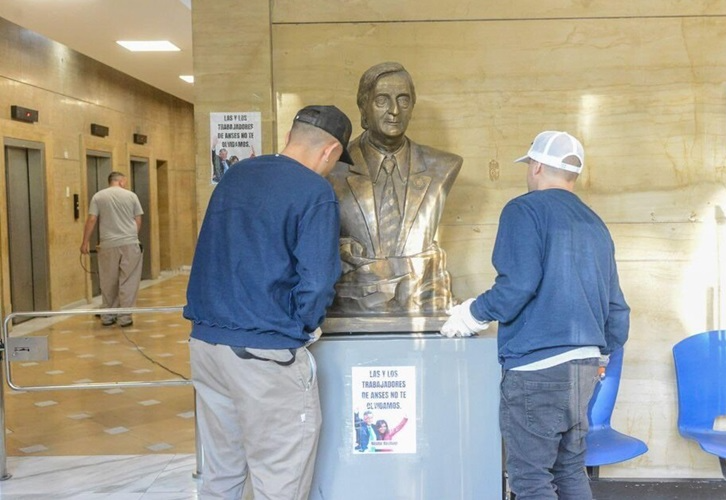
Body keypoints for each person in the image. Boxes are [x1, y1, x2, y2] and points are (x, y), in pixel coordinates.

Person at [440, 131, 630, 499]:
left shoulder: (523, 210)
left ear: (538, 166)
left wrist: (470, 315)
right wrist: (602, 353)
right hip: (585, 369)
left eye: (529, 166)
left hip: (536, 369)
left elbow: (517, 287)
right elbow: (617, 308)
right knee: (570, 470)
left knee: (530, 479)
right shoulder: (595, 224)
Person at [184, 105, 353, 500]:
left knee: (222, 473)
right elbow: (317, 281)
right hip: (264, 354)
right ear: (329, 152)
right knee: (280, 476)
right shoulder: (315, 191)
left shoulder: (236, 174)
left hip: (207, 346)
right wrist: (302, 326)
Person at [327, 62, 462, 315]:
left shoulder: (443, 166)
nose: (394, 111)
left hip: (423, 303)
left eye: (403, 100)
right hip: (352, 307)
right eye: (381, 100)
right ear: (363, 108)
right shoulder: (334, 170)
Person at [80, 171, 143, 328]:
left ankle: (108, 315)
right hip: (130, 243)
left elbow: (92, 219)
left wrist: (85, 242)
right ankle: (125, 317)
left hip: (107, 245)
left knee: (108, 280)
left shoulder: (98, 197)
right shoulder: (131, 196)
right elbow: (138, 219)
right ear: (121, 181)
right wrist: (132, 237)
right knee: (129, 280)